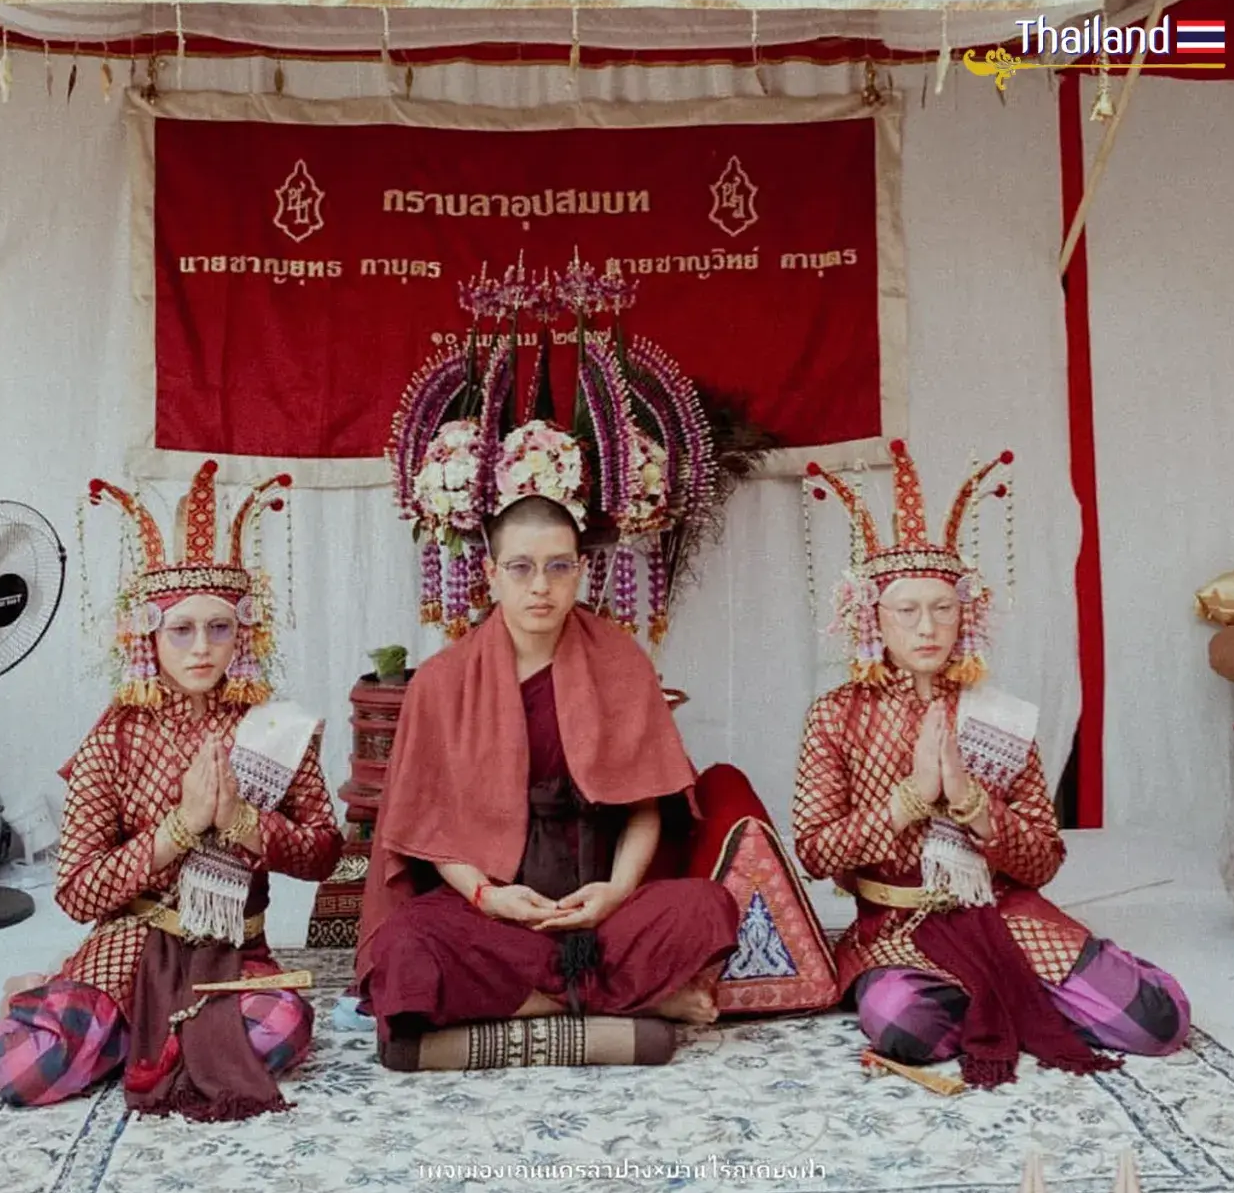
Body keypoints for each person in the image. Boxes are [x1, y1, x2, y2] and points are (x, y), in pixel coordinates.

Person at [792, 441, 1189, 1087]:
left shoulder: (997, 717)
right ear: (873, 618)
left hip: (1000, 913)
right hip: (898, 925)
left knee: (1157, 1021)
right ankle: (1004, 998)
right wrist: (912, 798)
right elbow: (813, 852)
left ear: (964, 614)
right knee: (904, 1027)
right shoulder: (835, 715)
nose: (928, 627)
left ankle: (1005, 991)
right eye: (907, 611)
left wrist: (974, 804)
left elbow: (1043, 860)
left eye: (943, 608)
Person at [0, 462, 343, 1119]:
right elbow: (76, 891)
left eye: (220, 626)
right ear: (148, 634)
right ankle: (144, 1028)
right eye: (182, 628)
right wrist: (180, 827)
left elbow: (324, 852)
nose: (203, 647)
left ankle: (136, 1038)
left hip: (230, 953)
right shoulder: (113, 740)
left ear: (245, 630)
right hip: (133, 946)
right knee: (21, 1071)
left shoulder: (277, 729)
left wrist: (240, 822)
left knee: (282, 1026)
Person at [356, 495, 740, 1063]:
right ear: (491, 574)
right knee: (403, 948)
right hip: (495, 912)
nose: (541, 586)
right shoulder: (443, 680)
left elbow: (645, 808)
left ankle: (537, 1002)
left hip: (600, 908)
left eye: (559, 566)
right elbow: (428, 829)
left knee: (706, 908)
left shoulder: (619, 661)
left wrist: (616, 893)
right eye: (522, 568)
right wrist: (489, 898)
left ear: (581, 571)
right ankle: (626, 1004)